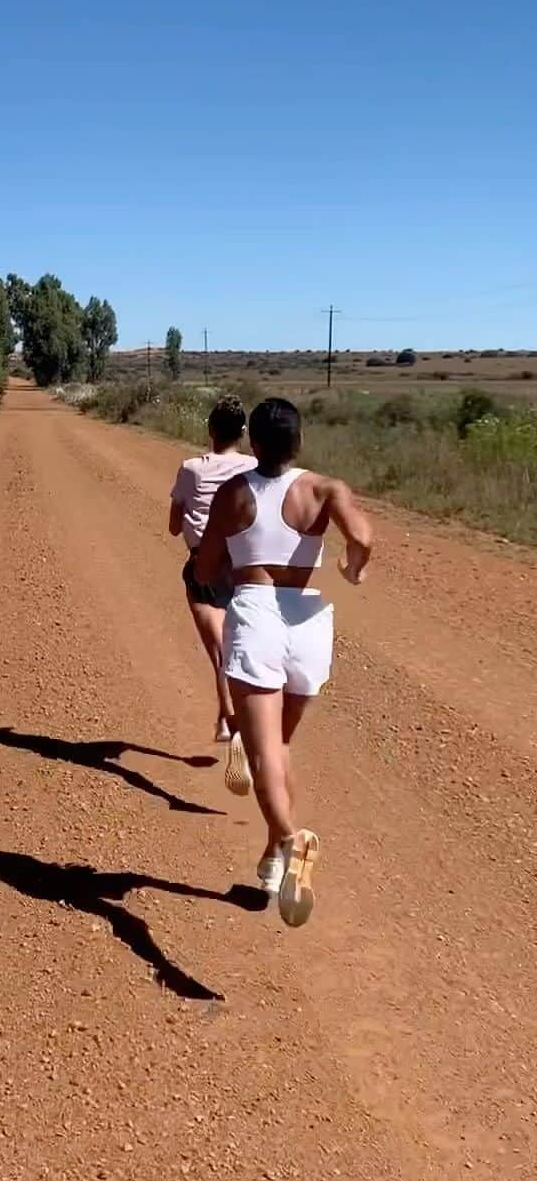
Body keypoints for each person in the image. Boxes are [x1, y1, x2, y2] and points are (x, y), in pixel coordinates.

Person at [195, 397, 372, 927]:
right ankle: (275, 853)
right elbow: (361, 538)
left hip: (256, 618)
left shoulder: (235, 492)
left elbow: (206, 566)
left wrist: (232, 556)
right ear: (299, 440)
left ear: (253, 442)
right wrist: (352, 567)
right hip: (309, 624)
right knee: (281, 746)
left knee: (261, 750)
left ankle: (291, 840)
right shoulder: (324, 489)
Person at [169, 395, 256, 765]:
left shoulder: (191, 469)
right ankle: (233, 719)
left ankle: (230, 719)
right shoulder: (254, 466)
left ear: (210, 430)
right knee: (241, 648)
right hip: (246, 566)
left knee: (220, 652)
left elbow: (174, 527)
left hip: (204, 564)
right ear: (244, 433)